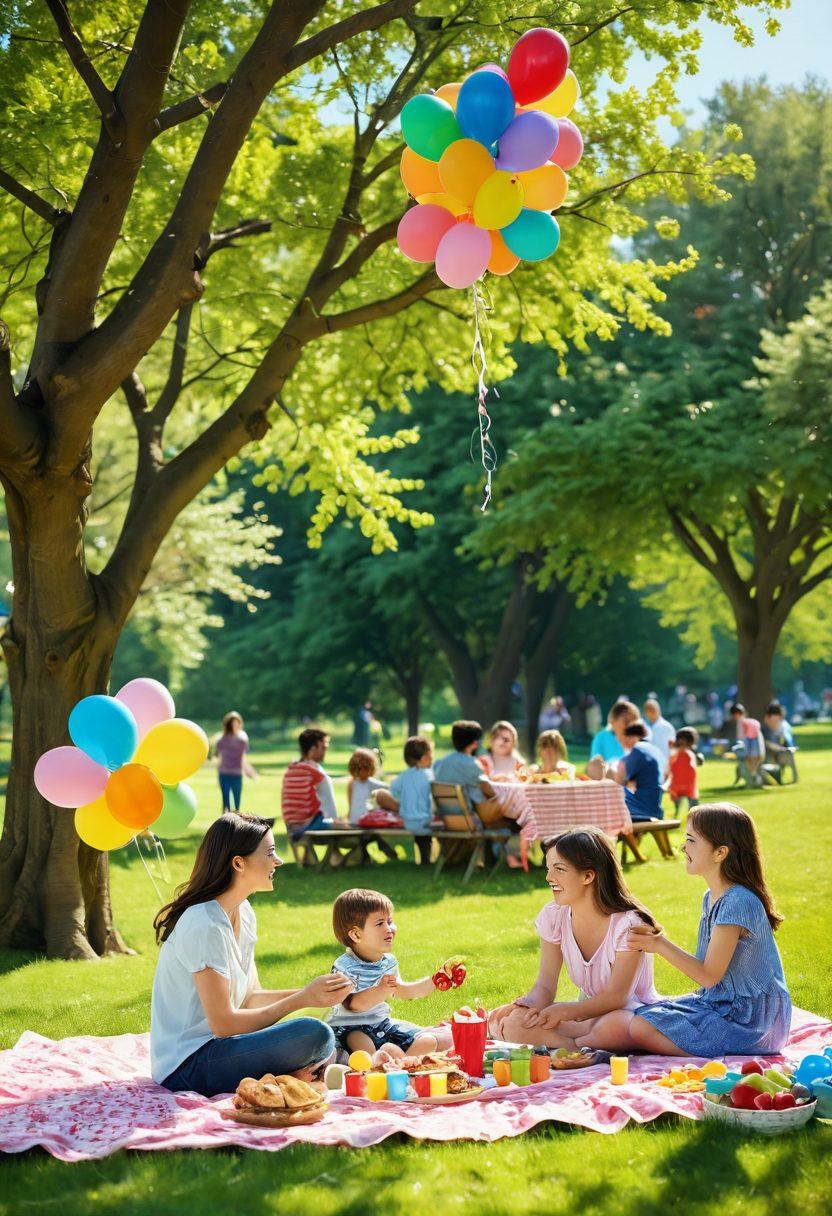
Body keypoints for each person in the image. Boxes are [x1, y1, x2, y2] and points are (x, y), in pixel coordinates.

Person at [150, 813, 352, 1095]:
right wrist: (302, 999)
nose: (278, 861)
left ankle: (294, 1074)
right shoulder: (203, 924)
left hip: (224, 1047)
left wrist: (317, 992)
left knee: (320, 1034)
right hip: (187, 1065)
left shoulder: (243, 913)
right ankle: (297, 1074)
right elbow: (224, 1023)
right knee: (313, 1035)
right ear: (238, 863)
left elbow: (250, 998)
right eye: (270, 853)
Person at [627, 803, 792, 1056]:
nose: (683, 847)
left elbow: (708, 975)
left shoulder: (737, 901)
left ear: (720, 853)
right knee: (635, 1014)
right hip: (721, 1004)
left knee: (639, 1027)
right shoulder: (711, 896)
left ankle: (702, 1050)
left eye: (691, 841)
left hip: (752, 1024)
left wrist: (659, 944)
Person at [488, 829, 660, 1051]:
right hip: (586, 1017)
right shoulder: (554, 916)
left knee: (614, 1026)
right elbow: (545, 985)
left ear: (588, 876)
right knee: (515, 1021)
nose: (549, 878)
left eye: (559, 869)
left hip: (631, 1015)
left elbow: (617, 998)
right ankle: (580, 1050)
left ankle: (569, 1048)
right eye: (548, 869)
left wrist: (565, 1011)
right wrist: (525, 1006)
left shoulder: (628, 925)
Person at [326, 888, 454, 1058]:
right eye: (380, 923)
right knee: (362, 1044)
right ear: (356, 934)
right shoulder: (345, 966)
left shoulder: (388, 961)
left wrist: (436, 980)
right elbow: (352, 1004)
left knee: (429, 1041)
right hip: (350, 1028)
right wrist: (380, 990)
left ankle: (401, 1064)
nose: (390, 928)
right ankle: (380, 1064)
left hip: (381, 1024)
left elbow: (404, 991)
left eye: (390, 921)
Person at [433, 720, 505, 825]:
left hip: (445, 819)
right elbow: (489, 791)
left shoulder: (440, 763)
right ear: (475, 743)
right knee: (508, 804)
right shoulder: (472, 763)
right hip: (470, 820)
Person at [376, 736, 435, 865]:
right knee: (425, 835)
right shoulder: (431, 776)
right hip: (426, 822)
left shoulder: (402, 777)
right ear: (425, 757)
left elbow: (394, 793)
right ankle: (426, 859)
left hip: (406, 821)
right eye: (431, 756)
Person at [280, 728, 348, 837]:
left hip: (291, 826)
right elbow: (329, 805)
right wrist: (335, 821)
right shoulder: (315, 772)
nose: (325, 752)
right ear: (313, 749)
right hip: (309, 826)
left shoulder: (291, 769)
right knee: (347, 828)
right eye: (323, 748)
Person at [611, 718, 664, 822]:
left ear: (631, 737)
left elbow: (621, 779)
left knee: (613, 791)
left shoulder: (637, 750)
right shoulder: (652, 748)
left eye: (624, 738)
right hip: (656, 801)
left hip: (645, 806)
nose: (622, 742)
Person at [215, 711, 253, 814]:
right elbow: (218, 758)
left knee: (237, 805)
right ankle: (225, 826)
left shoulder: (243, 739)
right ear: (228, 725)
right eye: (232, 724)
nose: (235, 726)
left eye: (237, 724)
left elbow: (243, 758)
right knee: (226, 804)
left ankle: (236, 827)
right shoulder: (221, 739)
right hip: (224, 774)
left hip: (237, 774)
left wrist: (249, 771)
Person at [346, 748, 388, 824]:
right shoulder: (352, 783)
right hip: (356, 821)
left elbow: (387, 787)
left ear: (371, 768)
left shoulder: (371, 783)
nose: (362, 771)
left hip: (366, 820)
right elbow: (351, 804)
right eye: (359, 768)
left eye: (365, 768)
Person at [667, 726, 699, 816]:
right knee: (677, 797)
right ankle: (678, 811)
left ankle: (692, 814)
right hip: (678, 777)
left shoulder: (690, 751)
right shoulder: (676, 750)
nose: (682, 742)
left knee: (691, 798)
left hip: (688, 778)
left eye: (684, 739)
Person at [730, 703, 763, 783]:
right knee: (754, 760)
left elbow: (740, 737)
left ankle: (752, 776)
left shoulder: (741, 722)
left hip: (749, 742)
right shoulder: (753, 721)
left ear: (735, 714)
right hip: (757, 742)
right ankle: (754, 775)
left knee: (747, 759)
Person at [642, 698, 675, 767]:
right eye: (649, 710)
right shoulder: (643, 726)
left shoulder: (667, 727)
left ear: (659, 710)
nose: (651, 712)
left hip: (664, 764)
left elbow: (673, 749)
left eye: (653, 709)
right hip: (647, 765)